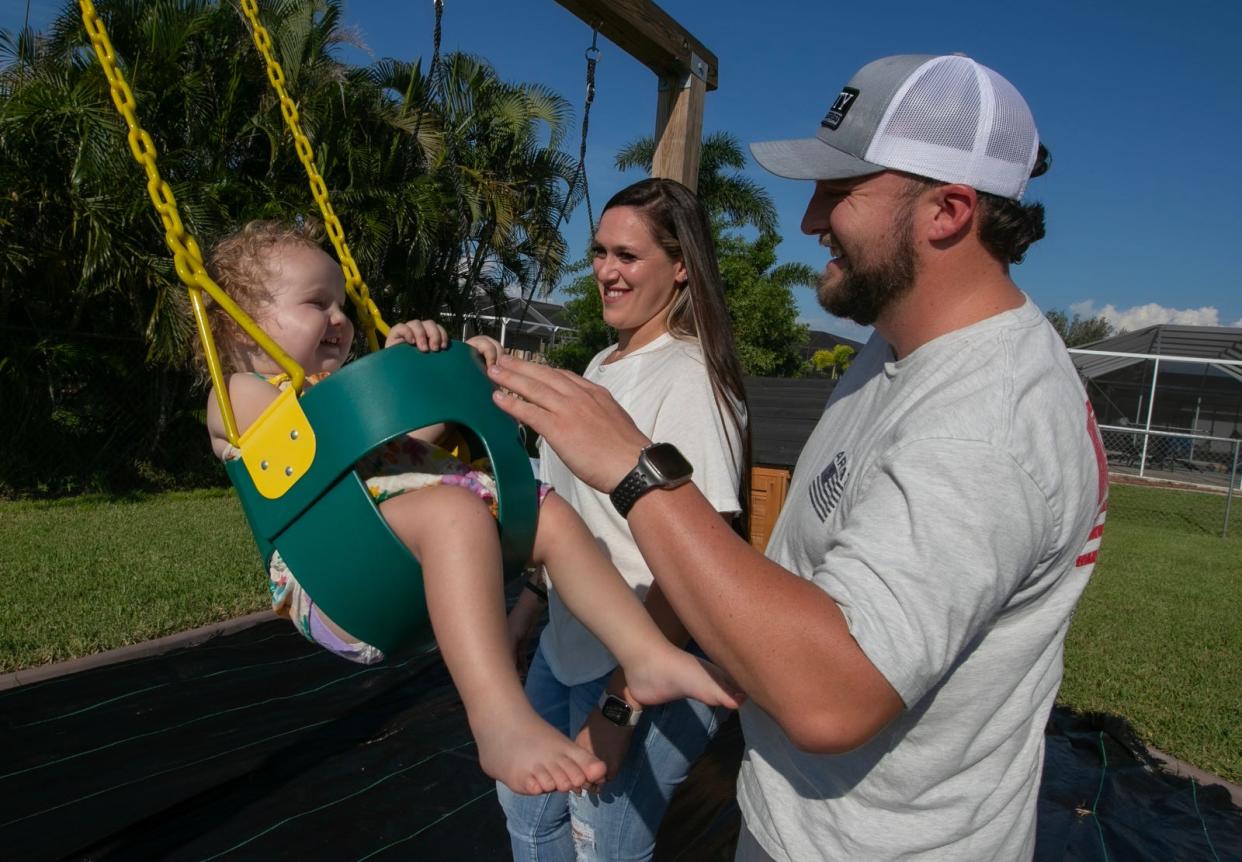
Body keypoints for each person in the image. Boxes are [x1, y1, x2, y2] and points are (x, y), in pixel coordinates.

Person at [487, 54, 1109, 861]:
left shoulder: (988, 424)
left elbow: (830, 698)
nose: (809, 219)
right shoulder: (899, 349)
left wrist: (637, 469)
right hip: (803, 826)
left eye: (840, 192)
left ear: (949, 210)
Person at [200, 219, 743, 799]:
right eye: (316, 303)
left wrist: (437, 372)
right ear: (239, 327)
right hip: (334, 581)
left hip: (399, 541)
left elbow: (410, 440)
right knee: (454, 512)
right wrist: (390, 379)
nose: (339, 319)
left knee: (547, 513)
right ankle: (497, 718)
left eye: (340, 303)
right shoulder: (237, 392)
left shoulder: (334, 390)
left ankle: (644, 654)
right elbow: (320, 443)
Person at [497, 178, 751, 861]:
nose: (606, 270)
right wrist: (529, 610)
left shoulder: (692, 382)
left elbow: (700, 561)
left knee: (603, 846)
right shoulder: (601, 365)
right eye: (600, 252)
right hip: (566, 645)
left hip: (640, 667)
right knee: (528, 813)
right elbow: (570, 516)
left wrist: (620, 704)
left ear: (680, 268)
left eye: (628, 256)